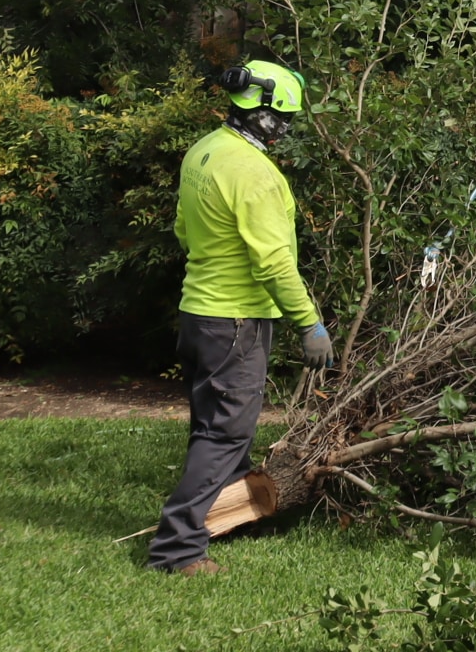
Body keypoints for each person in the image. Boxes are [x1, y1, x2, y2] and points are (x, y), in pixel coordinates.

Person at [145, 58, 330, 576]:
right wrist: (308, 324)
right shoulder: (254, 174)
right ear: (264, 113)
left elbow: (184, 229)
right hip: (236, 321)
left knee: (214, 426)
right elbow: (273, 262)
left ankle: (228, 516)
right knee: (225, 432)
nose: (287, 129)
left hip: (199, 313)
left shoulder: (204, 151)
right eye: (285, 119)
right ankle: (176, 550)